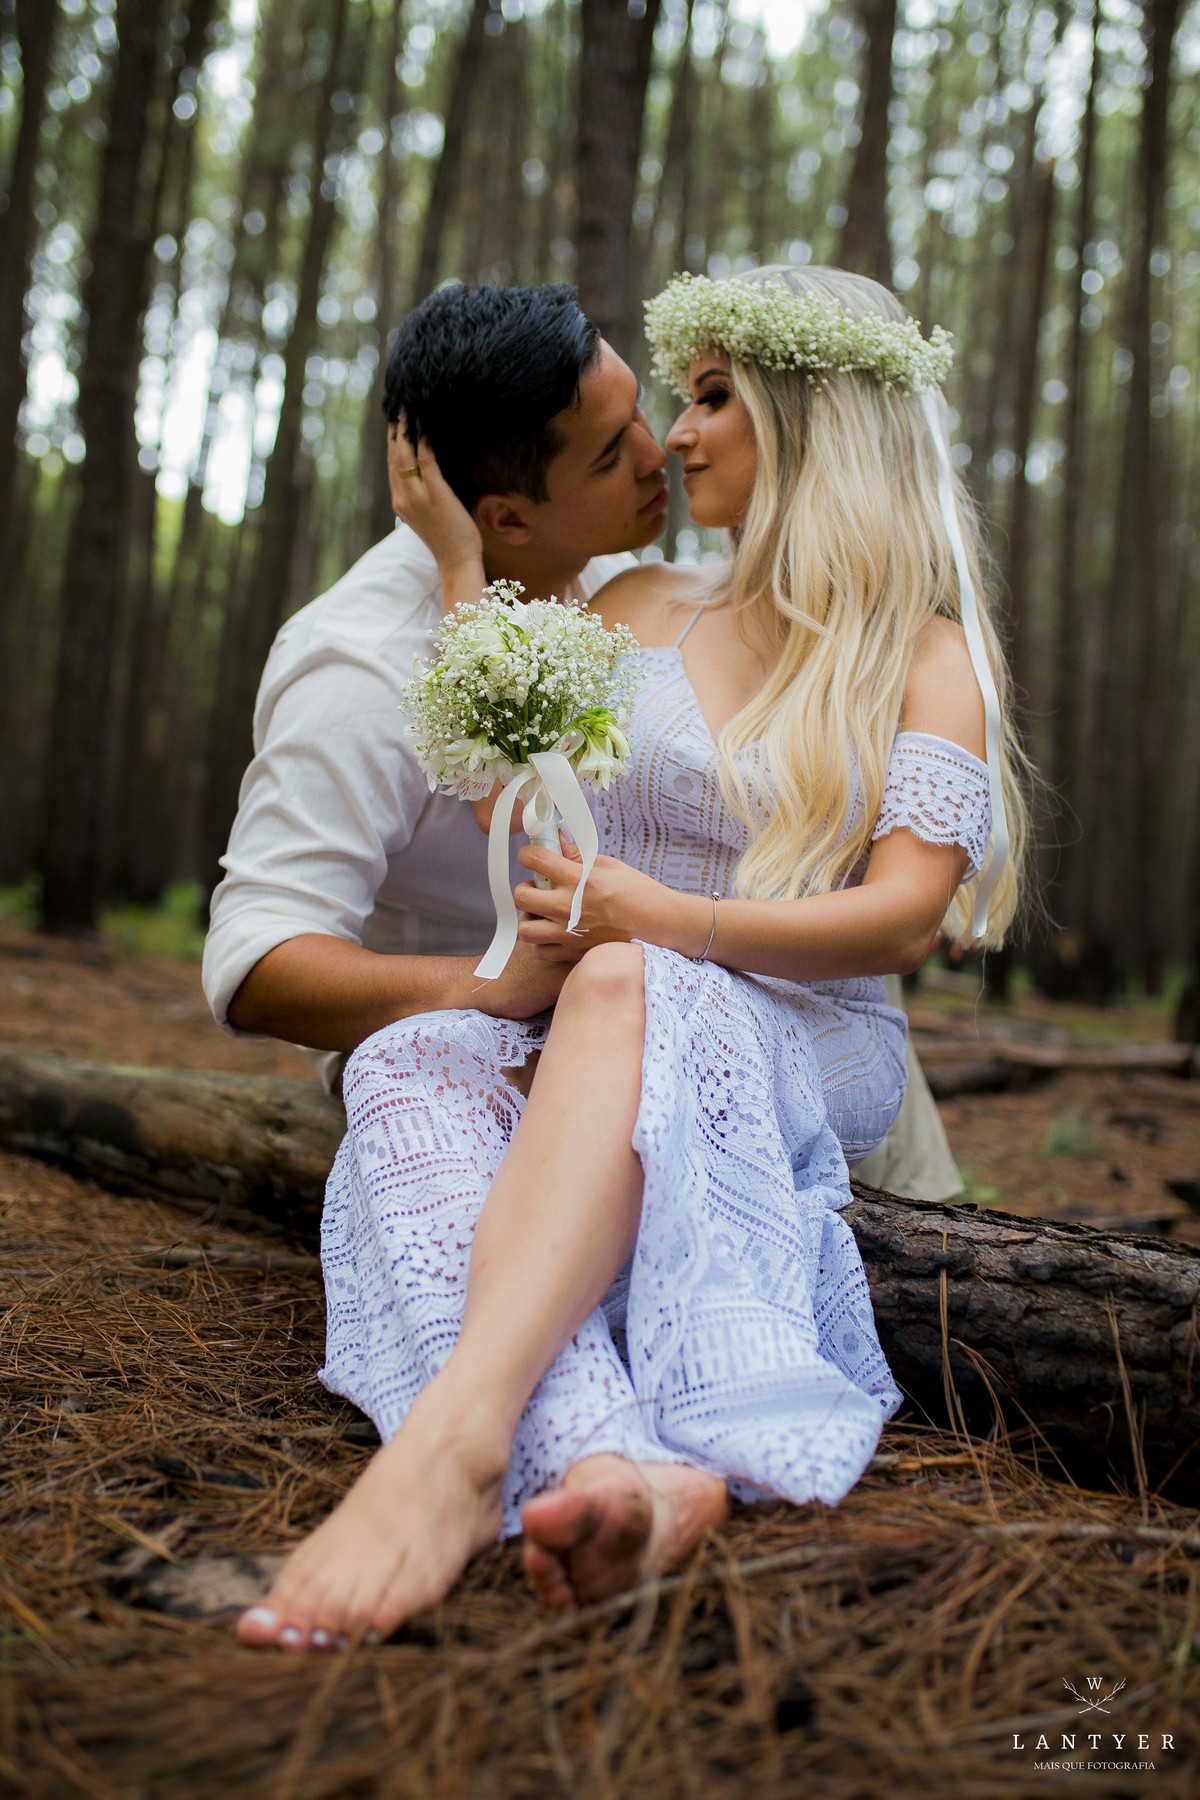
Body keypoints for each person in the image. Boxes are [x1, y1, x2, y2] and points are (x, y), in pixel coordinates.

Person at [235, 266, 1028, 1653]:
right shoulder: (641, 601)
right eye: (681, 396)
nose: (679, 431)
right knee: (415, 1046)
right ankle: (610, 1461)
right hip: (612, 1001)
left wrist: (663, 924)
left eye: (715, 397)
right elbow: (512, 791)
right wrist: (465, 574)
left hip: (807, 1025)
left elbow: (904, 918)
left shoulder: (926, 654)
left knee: (620, 977)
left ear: (813, 424)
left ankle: (456, 1442)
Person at [203, 278, 960, 1198]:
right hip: (477, 1019)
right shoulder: (357, 670)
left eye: (646, 410)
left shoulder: (628, 573)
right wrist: (491, 986)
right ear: (509, 518)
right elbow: (252, 961)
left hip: (746, 991)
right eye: (611, 455)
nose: (660, 452)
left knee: (933, 1235)